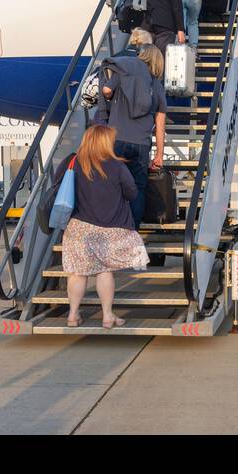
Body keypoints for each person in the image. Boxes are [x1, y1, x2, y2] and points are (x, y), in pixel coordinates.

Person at [60, 124, 150, 329]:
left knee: (77, 273)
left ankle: (73, 316)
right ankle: (107, 317)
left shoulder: (72, 161)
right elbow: (132, 193)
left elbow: (58, 186)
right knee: (104, 271)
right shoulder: (117, 166)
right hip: (111, 229)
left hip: (79, 229)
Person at [92, 44, 167, 226]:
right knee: (137, 188)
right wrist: (159, 155)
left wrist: (111, 100)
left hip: (117, 139)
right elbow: (160, 124)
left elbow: (106, 91)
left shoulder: (124, 72)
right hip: (141, 144)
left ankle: (111, 226)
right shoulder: (156, 84)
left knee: (111, 184)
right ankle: (132, 231)